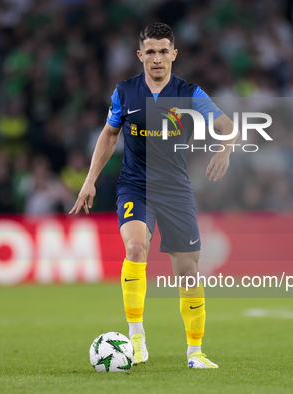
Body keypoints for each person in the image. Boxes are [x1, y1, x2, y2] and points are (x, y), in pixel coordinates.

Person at [70, 22, 236, 368]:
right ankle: (136, 335)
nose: (157, 58)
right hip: (135, 185)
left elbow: (225, 125)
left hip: (175, 188)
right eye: (150, 52)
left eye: (163, 51)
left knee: (188, 271)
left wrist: (226, 149)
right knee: (135, 247)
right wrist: (90, 180)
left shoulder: (190, 93)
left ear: (174, 54)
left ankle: (195, 352)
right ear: (140, 55)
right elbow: (109, 135)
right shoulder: (125, 92)